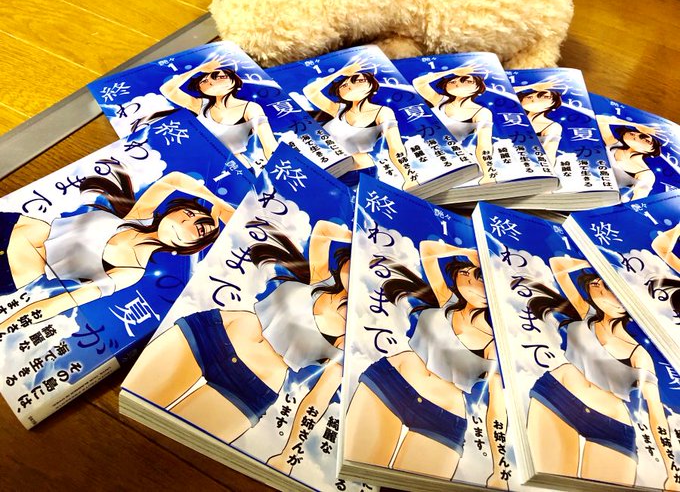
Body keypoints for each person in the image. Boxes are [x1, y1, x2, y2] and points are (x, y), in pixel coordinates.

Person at [123, 219, 352, 466]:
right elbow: (323, 230)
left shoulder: (347, 340)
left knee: (169, 457)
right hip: (211, 333)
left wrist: (288, 455)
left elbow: (318, 398)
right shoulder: (321, 279)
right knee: (131, 403)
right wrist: (360, 243)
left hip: (249, 389)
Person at [344, 241, 508, 487]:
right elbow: (428, 251)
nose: (467, 281)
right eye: (464, 274)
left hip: (441, 417)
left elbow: (497, 406)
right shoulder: (447, 301)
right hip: (390, 382)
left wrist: (499, 468)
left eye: (478, 278)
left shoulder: (495, 342)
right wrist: (468, 254)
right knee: (354, 477)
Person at [0, 163, 233, 330]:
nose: (185, 222)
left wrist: (5, 327)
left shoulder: (130, 272)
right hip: (12, 226)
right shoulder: (138, 216)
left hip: (10, 270)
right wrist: (217, 203)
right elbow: (174, 180)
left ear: (190, 248)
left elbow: (58, 303)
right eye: (189, 214)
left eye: (199, 230)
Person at [525, 255, 679, 490]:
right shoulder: (585, 313)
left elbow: (656, 413)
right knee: (546, 486)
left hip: (610, 426)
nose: (597, 288)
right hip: (556, 396)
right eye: (595, 284)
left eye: (606, 286)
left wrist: (672, 470)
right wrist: (596, 263)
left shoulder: (639, 355)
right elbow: (558, 264)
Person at [302, 61, 416, 189]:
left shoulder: (383, 112)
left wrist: (408, 177)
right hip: (328, 170)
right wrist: (340, 72)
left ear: (372, 86)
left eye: (359, 81)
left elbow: (395, 147)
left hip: (360, 173)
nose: (349, 85)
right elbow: (310, 91)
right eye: (344, 84)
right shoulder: (338, 109)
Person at [160, 54, 278, 171]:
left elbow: (269, 145)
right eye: (204, 81)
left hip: (236, 169)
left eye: (220, 77)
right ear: (200, 88)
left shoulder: (250, 108)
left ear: (234, 80)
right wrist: (198, 69)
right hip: (201, 166)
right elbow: (167, 89)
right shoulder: (200, 105)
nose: (211, 82)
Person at [412, 65, 495, 184]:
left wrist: (487, 173)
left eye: (467, 81)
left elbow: (484, 144)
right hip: (420, 149)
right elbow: (418, 83)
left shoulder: (482, 112)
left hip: (450, 156)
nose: (458, 84)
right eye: (453, 81)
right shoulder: (440, 100)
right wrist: (452, 71)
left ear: (479, 87)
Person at [596, 115, 662, 200]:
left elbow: (637, 201)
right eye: (636, 133)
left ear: (651, 151)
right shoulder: (614, 145)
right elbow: (600, 119)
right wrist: (636, 125)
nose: (637, 135)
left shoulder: (646, 174)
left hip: (605, 199)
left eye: (646, 140)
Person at [515, 81, 563, 168]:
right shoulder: (514, 119)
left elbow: (550, 155)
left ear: (554, 102)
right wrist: (531, 86)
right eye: (529, 97)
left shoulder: (552, 126)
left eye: (545, 97)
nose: (535, 100)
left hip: (534, 168)